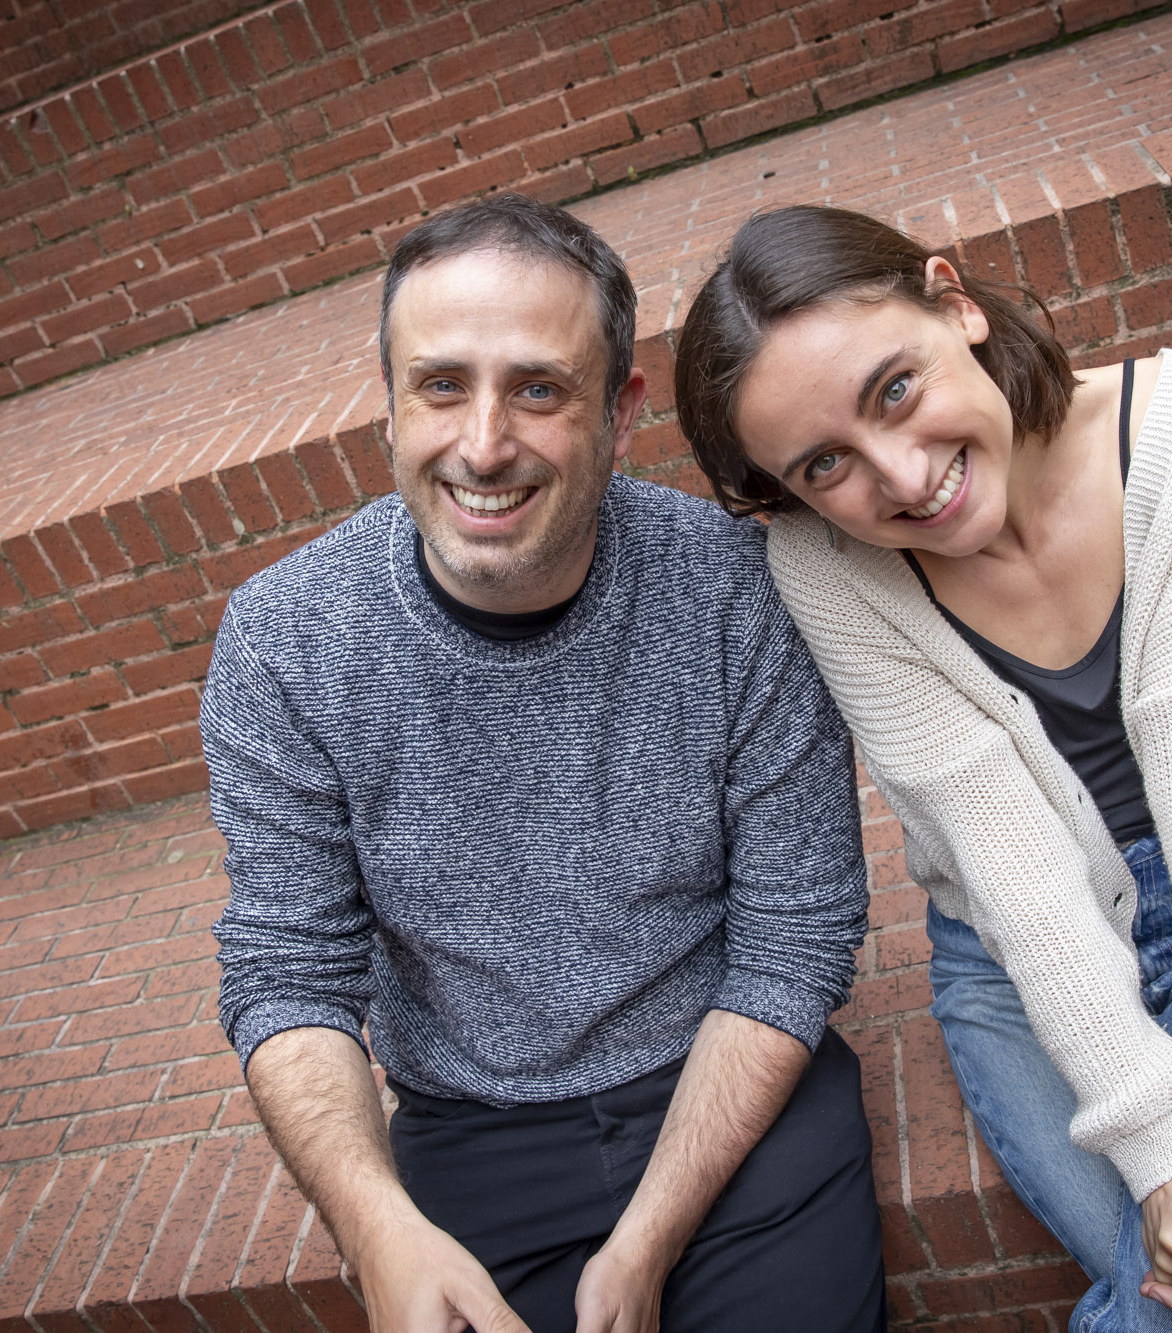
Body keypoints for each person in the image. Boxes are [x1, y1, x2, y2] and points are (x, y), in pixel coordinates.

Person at [673, 205, 1172, 1333]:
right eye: (823, 465)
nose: (901, 477)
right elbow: (1016, 873)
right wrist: (1158, 1158)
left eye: (893, 389)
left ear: (953, 302)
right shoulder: (824, 570)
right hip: (1014, 964)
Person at [201, 194, 886, 1333]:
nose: (481, 445)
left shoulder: (733, 592)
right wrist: (379, 1230)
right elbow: (287, 969)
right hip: (474, 1129)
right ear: (386, 403)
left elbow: (793, 938)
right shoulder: (285, 641)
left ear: (619, 416)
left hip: (732, 1085)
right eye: (438, 385)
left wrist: (643, 1243)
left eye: (536, 389)